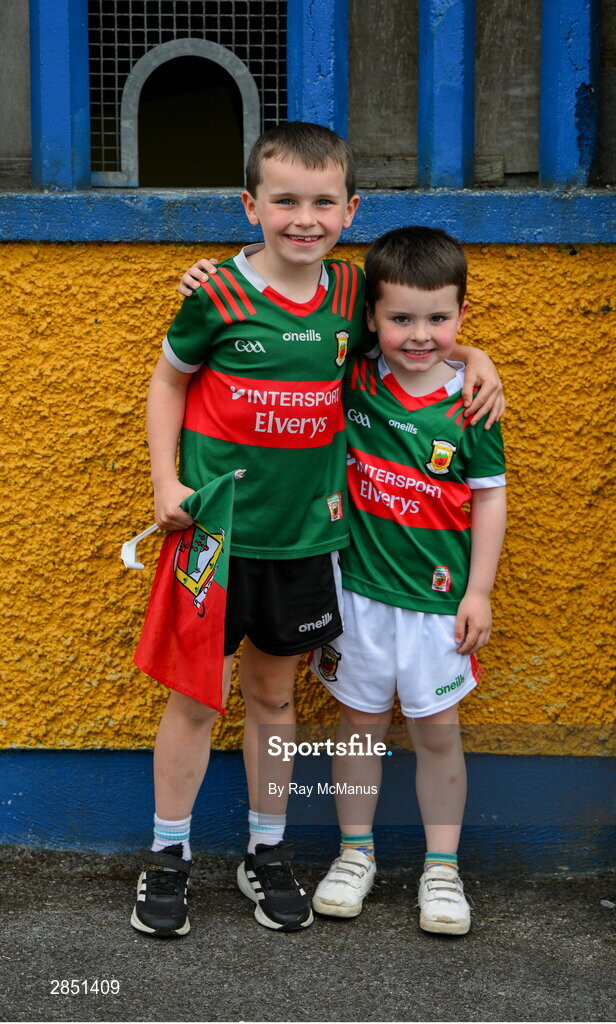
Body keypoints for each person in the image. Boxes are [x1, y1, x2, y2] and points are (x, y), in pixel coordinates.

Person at [134, 122, 503, 939]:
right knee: (196, 699)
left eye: (323, 201)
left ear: (350, 209)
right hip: (217, 540)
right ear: (250, 205)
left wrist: (474, 355)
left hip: (307, 544)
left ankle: (266, 851)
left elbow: (417, 339)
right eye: (285, 200)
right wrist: (166, 479)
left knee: (273, 698)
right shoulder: (215, 295)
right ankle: (167, 854)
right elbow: (168, 382)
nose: (304, 217)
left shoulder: (346, 295)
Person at [309, 226, 507, 935]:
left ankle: (443, 868)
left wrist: (478, 590)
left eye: (439, 319)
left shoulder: (472, 403)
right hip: (357, 596)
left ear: (460, 313)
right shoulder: (356, 372)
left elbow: (488, 496)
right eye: (400, 318)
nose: (419, 335)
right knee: (358, 727)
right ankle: (354, 855)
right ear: (372, 317)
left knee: (438, 732)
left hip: (436, 606)